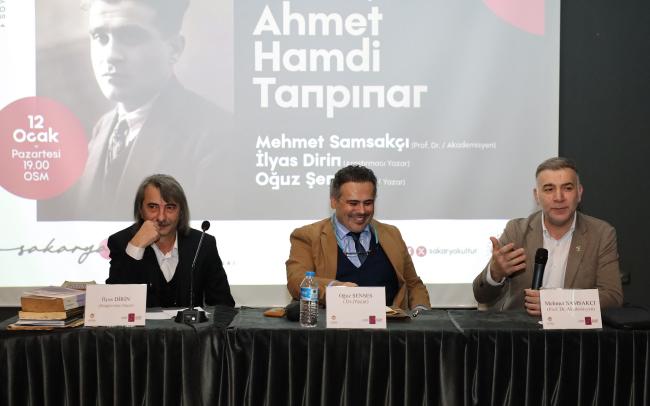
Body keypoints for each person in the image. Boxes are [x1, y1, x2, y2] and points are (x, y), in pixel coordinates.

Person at [69, 0, 230, 220]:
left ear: (173, 50)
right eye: (100, 37)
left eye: (130, 37)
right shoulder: (101, 129)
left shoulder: (216, 136)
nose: (110, 55)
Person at [473, 157, 623, 315]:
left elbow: (613, 297)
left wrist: (556, 303)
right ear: (537, 196)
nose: (559, 197)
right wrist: (495, 273)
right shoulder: (516, 231)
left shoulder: (601, 233)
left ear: (579, 193)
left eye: (567, 188)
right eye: (549, 189)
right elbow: (481, 296)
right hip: (521, 327)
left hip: (574, 329)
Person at [286, 165, 431, 310]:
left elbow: (413, 284)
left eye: (368, 203)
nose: (361, 211)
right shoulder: (307, 236)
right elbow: (297, 281)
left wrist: (421, 313)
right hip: (332, 323)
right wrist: (336, 289)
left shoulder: (392, 234)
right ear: (334, 202)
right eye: (353, 203)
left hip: (391, 324)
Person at [106, 174, 234, 308]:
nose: (161, 217)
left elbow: (224, 305)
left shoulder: (202, 244)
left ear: (181, 212)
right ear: (141, 210)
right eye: (153, 207)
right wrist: (136, 247)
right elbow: (113, 306)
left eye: (170, 207)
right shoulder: (121, 242)